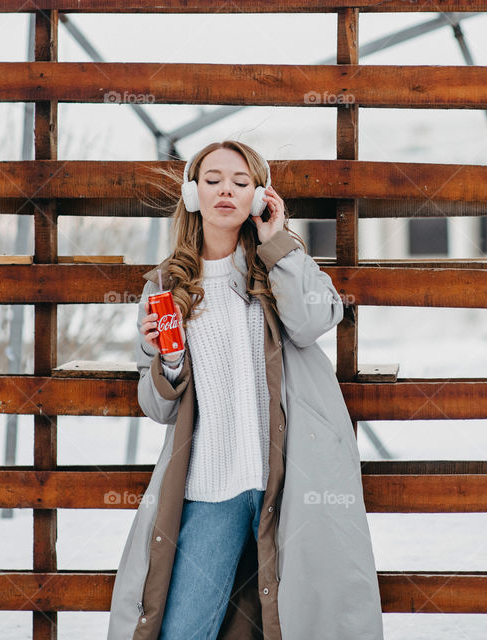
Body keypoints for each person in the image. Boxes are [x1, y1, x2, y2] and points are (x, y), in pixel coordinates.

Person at [107, 140, 384, 640]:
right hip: (209, 487)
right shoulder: (166, 287)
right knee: (182, 629)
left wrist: (277, 242)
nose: (226, 192)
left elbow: (314, 320)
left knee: (296, 624)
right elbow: (156, 407)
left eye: (241, 182)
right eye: (213, 180)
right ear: (193, 194)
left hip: (289, 482)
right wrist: (168, 360)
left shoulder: (281, 264)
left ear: (260, 196)